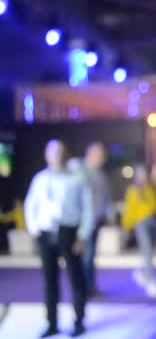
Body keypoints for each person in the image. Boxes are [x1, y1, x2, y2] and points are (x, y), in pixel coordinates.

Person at [24, 140, 95, 338]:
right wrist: (34, 229)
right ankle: (52, 323)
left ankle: (79, 321)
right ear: (46, 155)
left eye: (60, 152)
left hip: (69, 232)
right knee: (49, 280)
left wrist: (83, 234)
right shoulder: (40, 179)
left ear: (66, 154)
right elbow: (31, 204)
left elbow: (88, 207)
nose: (57, 156)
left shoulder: (77, 178)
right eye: (53, 152)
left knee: (76, 278)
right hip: (46, 233)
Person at [122, 164, 156, 298]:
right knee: (148, 251)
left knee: (150, 251)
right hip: (141, 223)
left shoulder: (150, 189)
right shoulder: (133, 191)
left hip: (152, 222)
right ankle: (151, 280)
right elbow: (129, 210)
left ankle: (145, 274)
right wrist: (126, 227)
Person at [81, 142, 112, 297]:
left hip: (95, 221)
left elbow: (106, 197)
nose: (102, 159)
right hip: (83, 223)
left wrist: (108, 214)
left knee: (90, 255)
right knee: (86, 256)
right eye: (99, 155)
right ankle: (84, 288)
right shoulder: (81, 171)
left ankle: (89, 287)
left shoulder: (100, 175)